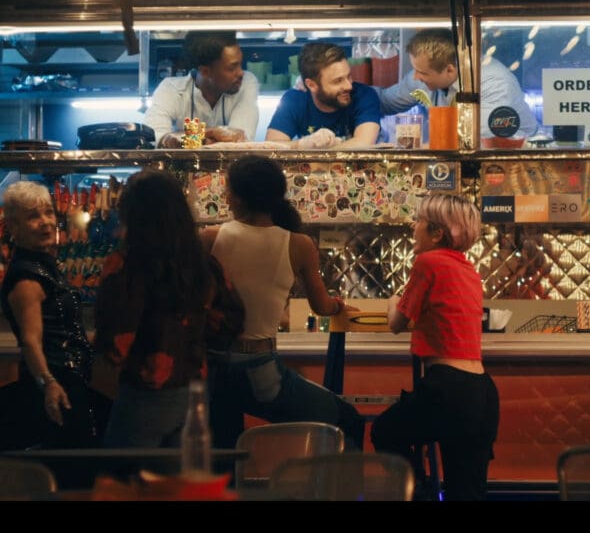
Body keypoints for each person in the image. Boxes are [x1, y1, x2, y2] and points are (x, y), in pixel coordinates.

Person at [199, 155, 365, 451]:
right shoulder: (298, 244)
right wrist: (338, 306)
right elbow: (322, 306)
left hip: (212, 369)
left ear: (236, 196)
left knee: (224, 454)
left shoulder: (210, 238)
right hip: (261, 373)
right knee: (347, 420)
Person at [93, 170, 242, 447]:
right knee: (176, 485)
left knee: (126, 483)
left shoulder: (127, 266)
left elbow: (116, 340)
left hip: (145, 392)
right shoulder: (202, 262)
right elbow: (231, 319)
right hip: (194, 391)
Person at [372, 193, 500, 501]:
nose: (413, 227)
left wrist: (393, 302)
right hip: (482, 393)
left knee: (384, 432)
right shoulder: (469, 271)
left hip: (448, 389)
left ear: (436, 232)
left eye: (418, 221)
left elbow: (397, 323)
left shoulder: (428, 262)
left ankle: (417, 487)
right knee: (466, 492)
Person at [0, 181, 107, 449]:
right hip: (57, 385)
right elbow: (31, 341)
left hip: (72, 379)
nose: (46, 222)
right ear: (13, 228)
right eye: (33, 216)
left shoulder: (42, 265)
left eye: (48, 212)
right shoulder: (27, 278)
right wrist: (48, 384)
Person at [375, 28, 537, 141]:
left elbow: (474, 139)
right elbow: (384, 102)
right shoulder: (421, 76)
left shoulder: (494, 82)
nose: (416, 77)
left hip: (514, 156)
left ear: (450, 70)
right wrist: (353, 92)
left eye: (423, 73)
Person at [143, 31, 259, 147]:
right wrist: (214, 133)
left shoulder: (247, 83)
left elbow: (240, 141)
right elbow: (154, 139)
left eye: (240, 64)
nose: (240, 73)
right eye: (232, 68)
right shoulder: (170, 89)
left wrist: (187, 138)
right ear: (205, 71)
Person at [266, 42, 381, 149]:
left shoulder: (364, 95)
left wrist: (313, 150)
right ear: (312, 85)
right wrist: (303, 143)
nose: (348, 86)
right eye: (338, 81)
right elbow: (271, 146)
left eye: (349, 76)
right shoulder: (294, 100)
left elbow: (364, 143)